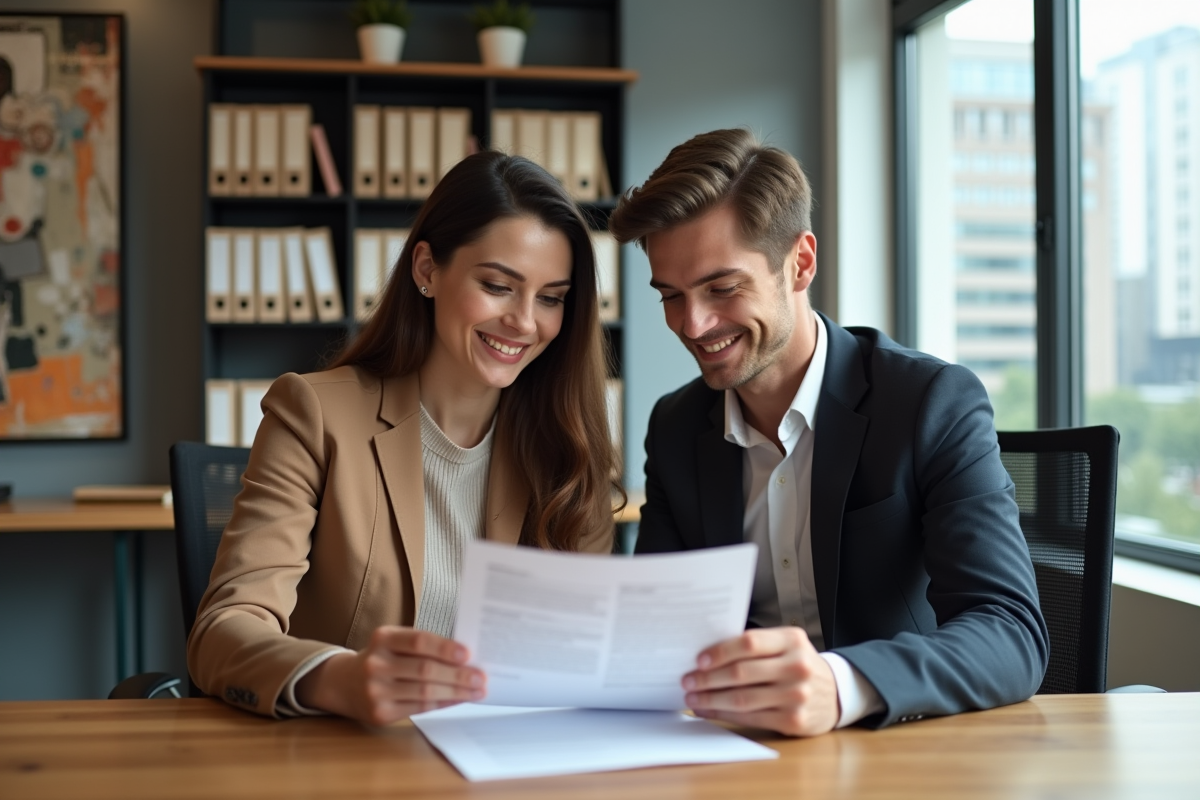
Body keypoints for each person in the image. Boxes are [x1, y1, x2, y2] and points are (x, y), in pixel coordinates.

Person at [608, 128, 1048, 736]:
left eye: (722, 287)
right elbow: (657, 625)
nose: (693, 323)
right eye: (671, 296)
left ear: (801, 263)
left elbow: (1010, 632)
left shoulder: (928, 402)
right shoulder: (677, 427)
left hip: (895, 750)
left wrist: (842, 685)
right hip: (738, 753)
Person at [189, 151, 620, 724]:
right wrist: (339, 677)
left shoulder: (567, 445)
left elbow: (589, 652)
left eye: (550, 298)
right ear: (426, 270)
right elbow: (223, 631)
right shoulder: (314, 414)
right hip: (348, 762)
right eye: (497, 285)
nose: (523, 321)